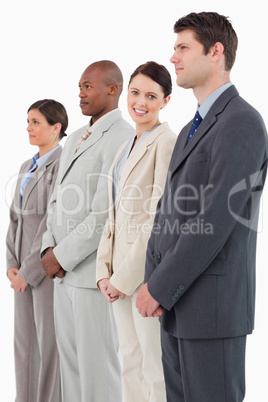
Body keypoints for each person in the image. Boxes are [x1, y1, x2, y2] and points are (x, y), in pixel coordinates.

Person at [136, 12, 268, 402]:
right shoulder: (194, 126)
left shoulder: (241, 121)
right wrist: (153, 280)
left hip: (211, 310)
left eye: (182, 48)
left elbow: (213, 218)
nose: (173, 58)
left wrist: (158, 287)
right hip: (178, 307)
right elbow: (170, 212)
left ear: (215, 51)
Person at [40, 60, 135, 402]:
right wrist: (47, 251)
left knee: (99, 372)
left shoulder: (124, 136)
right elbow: (56, 200)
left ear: (113, 90)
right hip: (61, 276)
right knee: (72, 371)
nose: (80, 93)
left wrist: (62, 256)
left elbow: (104, 213)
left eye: (88, 87)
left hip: (90, 275)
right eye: (79, 86)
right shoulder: (77, 136)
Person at [96, 61, 177, 402]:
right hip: (116, 276)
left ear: (166, 101)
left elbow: (157, 217)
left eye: (151, 96)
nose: (140, 102)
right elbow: (111, 214)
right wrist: (103, 271)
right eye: (135, 92)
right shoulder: (123, 148)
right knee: (128, 362)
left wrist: (122, 278)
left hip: (143, 275)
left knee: (151, 368)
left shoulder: (166, 141)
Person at [6, 99, 68, 402]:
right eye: (28, 121)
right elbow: (14, 218)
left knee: (48, 347)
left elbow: (50, 223)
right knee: (24, 346)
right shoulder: (25, 166)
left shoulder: (63, 164)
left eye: (36, 122)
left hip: (44, 270)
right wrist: (11, 265)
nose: (29, 128)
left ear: (56, 128)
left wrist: (28, 272)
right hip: (21, 271)